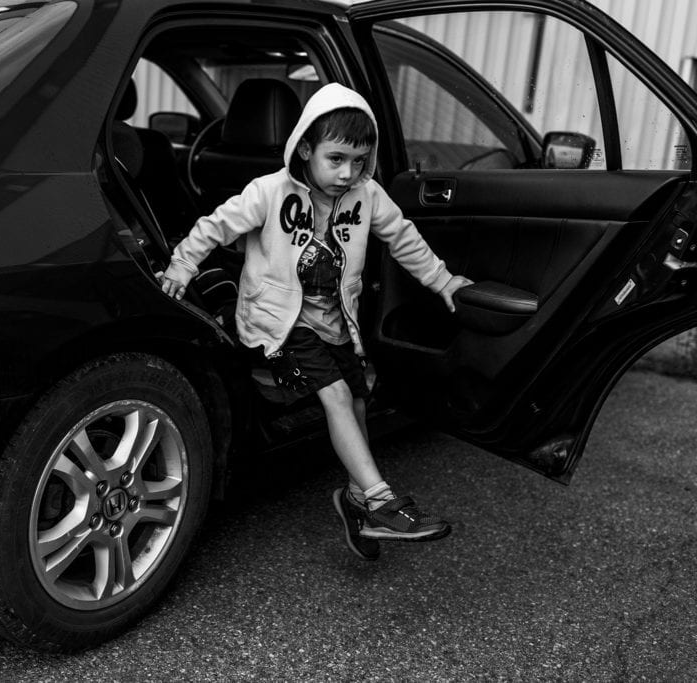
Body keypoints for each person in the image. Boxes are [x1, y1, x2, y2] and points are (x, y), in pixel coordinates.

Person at [158, 82, 471, 560]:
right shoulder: (268, 191)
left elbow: (404, 238)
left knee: (359, 402)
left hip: (335, 324)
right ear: (306, 147)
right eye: (337, 159)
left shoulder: (368, 196)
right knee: (338, 395)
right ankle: (382, 501)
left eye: (360, 161)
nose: (349, 173)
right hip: (276, 326)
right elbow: (214, 226)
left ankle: (356, 500)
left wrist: (444, 280)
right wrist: (181, 266)